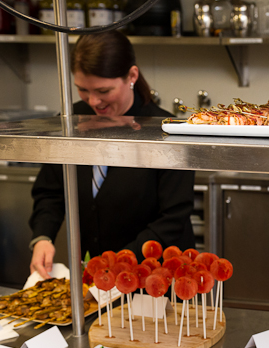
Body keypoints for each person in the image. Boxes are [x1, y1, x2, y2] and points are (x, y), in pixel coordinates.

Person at [28, 30, 195, 279]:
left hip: (157, 277)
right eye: (83, 90)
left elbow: (173, 218)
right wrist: (43, 237)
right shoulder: (70, 123)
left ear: (131, 76)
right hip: (99, 276)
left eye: (104, 91)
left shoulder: (167, 131)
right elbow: (50, 191)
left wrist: (121, 262)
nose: (93, 101)